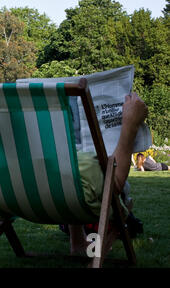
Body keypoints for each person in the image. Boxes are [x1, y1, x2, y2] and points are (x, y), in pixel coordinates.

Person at [68, 92, 148, 255]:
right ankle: (93, 252)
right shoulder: (88, 166)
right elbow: (115, 185)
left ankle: (77, 242)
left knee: (70, 183)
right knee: (120, 195)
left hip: (31, 200)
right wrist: (130, 125)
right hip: (83, 202)